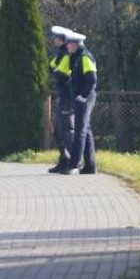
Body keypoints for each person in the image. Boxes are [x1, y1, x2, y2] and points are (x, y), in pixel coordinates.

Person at [61, 29, 97, 175]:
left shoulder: (84, 57)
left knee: (79, 131)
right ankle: (90, 166)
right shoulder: (75, 57)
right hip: (80, 98)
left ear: (75, 44)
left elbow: (92, 78)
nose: (67, 47)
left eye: (69, 44)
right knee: (85, 130)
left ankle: (74, 164)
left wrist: (83, 95)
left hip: (85, 98)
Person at [47, 25, 74, 173]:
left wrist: (56, 70)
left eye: (55, 37)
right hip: (61, 94)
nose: (52, 39)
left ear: (63, 40)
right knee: (58, 131)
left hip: (67, 96)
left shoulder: (67, 54)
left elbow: (60, 73)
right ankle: (64, 160)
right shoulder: (60, 53)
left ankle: (75, 160)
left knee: (67, 130)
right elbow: (51, 68)